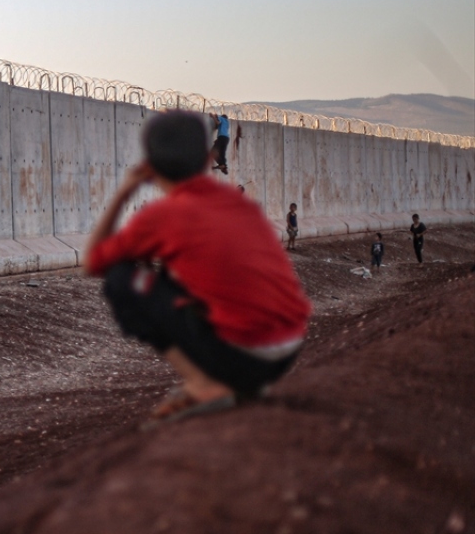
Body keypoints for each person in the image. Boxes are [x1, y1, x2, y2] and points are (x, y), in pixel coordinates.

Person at [85, 110, 311, 424]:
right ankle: (242, 384)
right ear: (208, 158)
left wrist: (124, 192)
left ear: (150, 165)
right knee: (178, 276)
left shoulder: (162, 215)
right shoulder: (238, 203)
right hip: (288, 349)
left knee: (121, 279)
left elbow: (93, 261)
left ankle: (205, 385)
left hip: (247, 353)